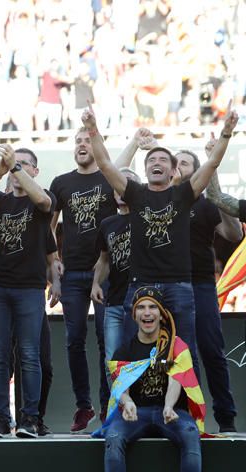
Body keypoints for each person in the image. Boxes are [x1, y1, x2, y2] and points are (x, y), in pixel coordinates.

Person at [84, 102, 239, 373]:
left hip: (179, 285)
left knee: (183, 355)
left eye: (163, 160)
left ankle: (184, 413)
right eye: (151, 160)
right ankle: (139, 413)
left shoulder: (183, 194)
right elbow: (106, 164)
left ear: (172, 171)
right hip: (141, 284)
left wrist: (225, 134)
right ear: (146, 171)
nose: (157, 162)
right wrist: (93, 130)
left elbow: (212, 162)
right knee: (137, 356)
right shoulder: (135, 194)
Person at [0, 145, 54, 438]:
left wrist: (17, 169)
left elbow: (45, 203)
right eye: (13, 163)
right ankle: (0, 419)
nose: (15, 167)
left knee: (29, 355)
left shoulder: (40, 197)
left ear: (34, 171)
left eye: (24, 164)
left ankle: (30, 419)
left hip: (29, 288)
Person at [48, 127, 118, 431]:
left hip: (105, 271)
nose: (81, 145)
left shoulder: (108, 178)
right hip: (73, 272)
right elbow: (48, 229)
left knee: (107, 341)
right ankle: (83, 406)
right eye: (77, 141)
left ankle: (107, 404)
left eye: (87, 141)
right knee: (74, 340)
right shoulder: (61, 183)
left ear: (97, 146)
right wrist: (54, 265)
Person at [175, 145, 241, 433]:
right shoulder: (158, 201)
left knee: (212, 351)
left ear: (197, 171)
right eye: (174, 161)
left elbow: (235, 233)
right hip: (168, 286)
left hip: (200, 285)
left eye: (185, 163)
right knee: (178, 355)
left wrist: (217, 197)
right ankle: (189, 417)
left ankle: (225, 418)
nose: (178, 165)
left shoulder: (204, 203)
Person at [102, 286, 203, 472]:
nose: (147, 313)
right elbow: (121, 388)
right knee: (114, 437)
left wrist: (169, 406)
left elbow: (175, 380)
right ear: (134, 315)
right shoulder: (124, 351)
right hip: (136, 413)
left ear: (162, 313)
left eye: (153, 307)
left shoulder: (174, 345)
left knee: (190, 434)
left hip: (171, 413)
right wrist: (128, 402)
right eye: (141, 307)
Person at [92, 169, 141, 362]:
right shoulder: (107, 224)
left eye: (127, 184)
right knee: (111, 360)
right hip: (114, 301)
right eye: (117, 186)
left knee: (139, 358)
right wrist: (96, 283)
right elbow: (104, 259)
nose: (121, 191)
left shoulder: (145, 216)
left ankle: (136, 394)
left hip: (142, 302)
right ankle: (117, 394)